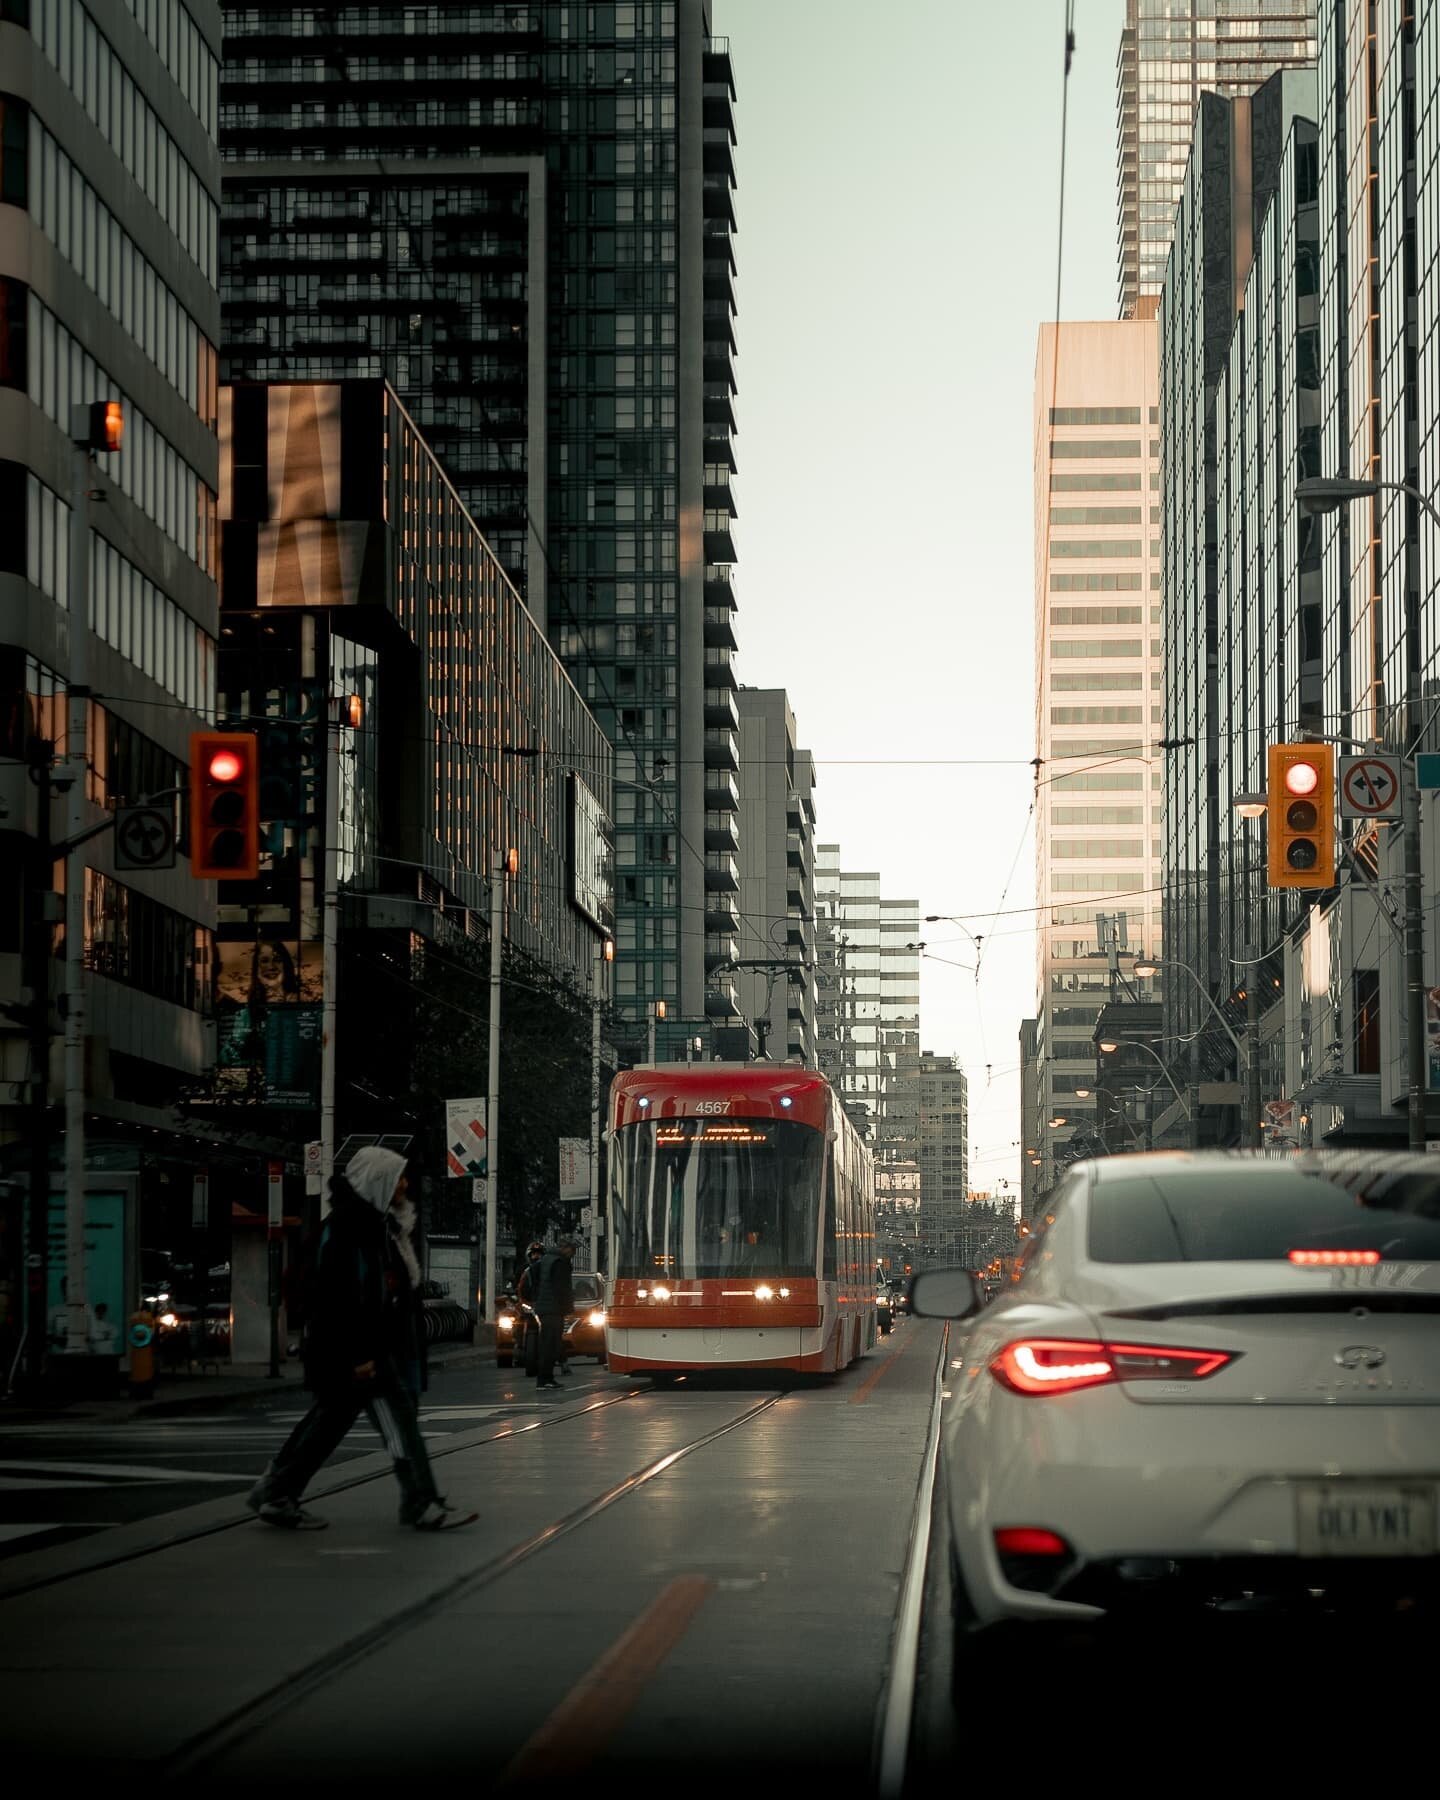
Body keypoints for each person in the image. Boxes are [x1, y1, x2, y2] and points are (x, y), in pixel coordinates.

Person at [246, 1147, 476, 1532]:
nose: (404, 1185)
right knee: (398, 1424)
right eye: (396, 1177)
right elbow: (337, 1298)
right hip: (360, 1352)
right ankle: (421, 1502)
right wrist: (360, 1354)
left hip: (362, 1349)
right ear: (376, 1182)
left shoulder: (376, 1227)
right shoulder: (350, 1231)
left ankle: (275, 1492)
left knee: (326, 1424)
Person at [530, 1239, 576, 1391]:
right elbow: (562, 1288)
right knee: (551, 1345)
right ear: (566, 1249)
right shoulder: (560, 1263)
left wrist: (536, 1299)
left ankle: (545, 1378)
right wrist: (568, 1308)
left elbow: (533, 1278)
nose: (573, 1254)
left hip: (544, 1308)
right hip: (554, 1309)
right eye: (572, 1250)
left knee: (547, 1344)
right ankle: (545, 1379)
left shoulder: (545, 1260)